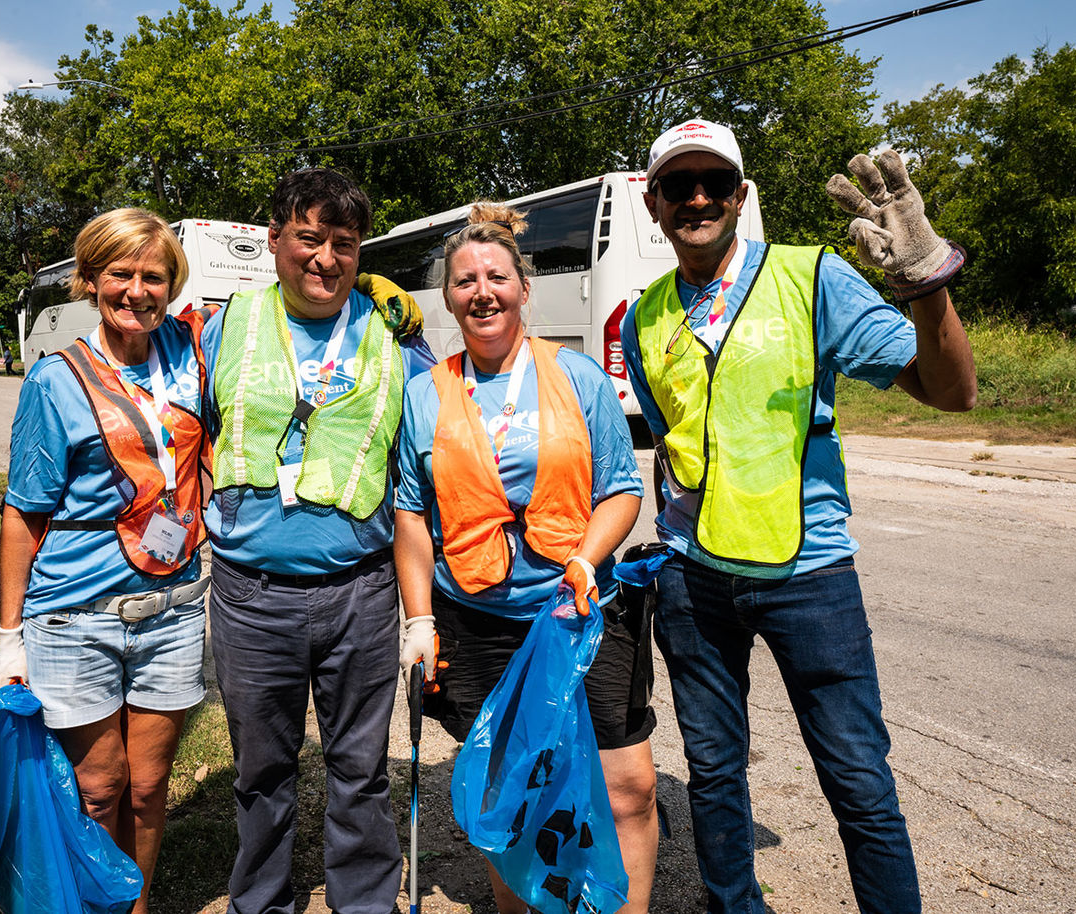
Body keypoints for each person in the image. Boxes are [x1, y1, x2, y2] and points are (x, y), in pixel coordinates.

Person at [619, 118, 977, 914]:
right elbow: (673, 446)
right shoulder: (640, 318)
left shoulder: (810, 277)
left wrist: (927, 285)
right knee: (713, 773)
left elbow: (952, 392)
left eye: (715, 182)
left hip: (810, 578)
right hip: (692, 579)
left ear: (742, 197)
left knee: (857, 778)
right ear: (655, 204)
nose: (699, 198)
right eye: (679, 185)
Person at [395, 203, 659, 914]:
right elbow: (412, 514)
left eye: (496, 277)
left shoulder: (578, 376)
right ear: (447, 296)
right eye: (464, 281)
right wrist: (419, 619)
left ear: (523, 287)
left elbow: (622, 489)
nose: (482, 292)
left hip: (580, 611)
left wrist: (586, 558)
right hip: (476, 621)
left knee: (627, 785)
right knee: (511, 793)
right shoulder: (424, 394)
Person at [200, 167, 431, 914]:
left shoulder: (392, 333)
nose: (325, 258)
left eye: (344, 242)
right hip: (249, 595)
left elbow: (442, 432)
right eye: (309, 237)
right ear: (274, 238)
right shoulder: (223, 325)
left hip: (360, 591)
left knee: (359, 767)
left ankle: (365, 902)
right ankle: (260, 902)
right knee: (260, 770)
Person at [0, 207, 216, 914]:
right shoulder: (56, 380)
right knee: (99, 787)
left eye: (155, 276)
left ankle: (134, 905)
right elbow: (24, 514)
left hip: (172, 612)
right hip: (73, 617)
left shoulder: (192, 354)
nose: (138, 291)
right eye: (121, 273)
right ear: (90, 280)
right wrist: (8, 638)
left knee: (149, 790)